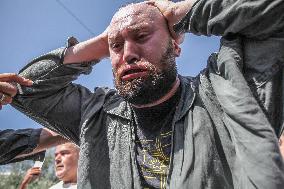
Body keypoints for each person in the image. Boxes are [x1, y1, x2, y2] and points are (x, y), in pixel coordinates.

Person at [1, 0, 284, 188]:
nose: (128, 54)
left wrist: (182, 14)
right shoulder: (97, 118)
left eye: (141, 36)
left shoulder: (226, 93)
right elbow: (28, 90)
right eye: (116, 46)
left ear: (175, 46)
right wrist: (103, 41)